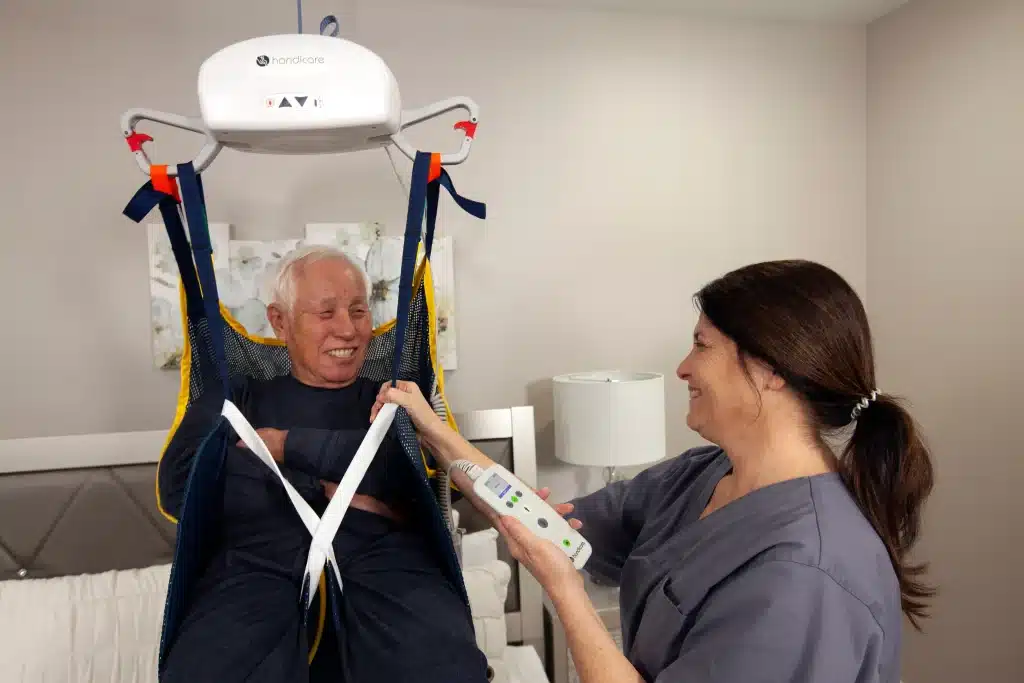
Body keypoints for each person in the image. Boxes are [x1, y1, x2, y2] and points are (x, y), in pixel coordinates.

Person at [375, 259, 935, 683]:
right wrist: (437, 433)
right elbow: (548, 524)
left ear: (769, 370)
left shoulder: (807, 576)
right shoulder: (702, 473)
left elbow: (559, 563)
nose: (683, 367)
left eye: (701, 345)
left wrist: (563, 590)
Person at [157, 245, 488, 683]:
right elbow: (181, 487)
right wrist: (340, 491)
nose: (348, 330)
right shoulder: (236, 396)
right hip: (254, 571)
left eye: (358, 310)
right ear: (280, 321)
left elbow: (410, 475)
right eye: (326, 312)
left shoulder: (396, 396)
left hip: (389, 570)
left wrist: (281, 446)